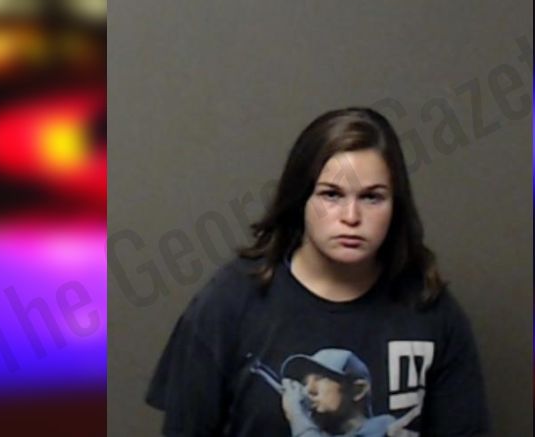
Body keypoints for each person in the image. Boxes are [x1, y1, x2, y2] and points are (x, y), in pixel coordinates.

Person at [146, 107, 489, 436]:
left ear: (395, 205)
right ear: (301, 199)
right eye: (331, 195)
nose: (351, 217)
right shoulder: (230, 301)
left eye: (372, 197)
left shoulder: (431, 311)